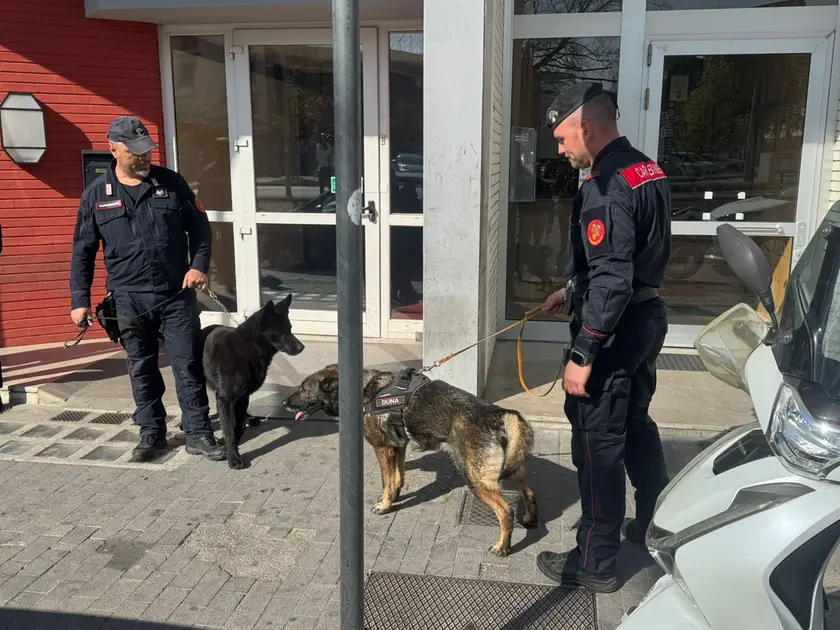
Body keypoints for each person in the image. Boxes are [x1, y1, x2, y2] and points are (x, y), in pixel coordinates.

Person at [535, 82, 671, 593]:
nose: (560, 148)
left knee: (597, 443)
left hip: (613, 332)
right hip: (645, 316)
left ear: (586, 127)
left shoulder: (605, 183)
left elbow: (613, 277)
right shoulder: (644, 167)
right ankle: (652, 520)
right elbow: (625, 263)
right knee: (634, 422)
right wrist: (570, 291)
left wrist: (583, 350)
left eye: (563, 136)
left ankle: (595, 560)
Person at [69, 116, 225, 463]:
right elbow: (83, 250)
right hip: (128, 298)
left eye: (147, 150)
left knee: (187, 365)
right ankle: (151, 432)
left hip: (175, 295)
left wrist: (198, 265)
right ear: (113, 150)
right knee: (141, 367)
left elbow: (199, 226)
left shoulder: (171, 183)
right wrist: (79, 300)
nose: (144, 157)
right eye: (134, 152)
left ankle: (198, 432)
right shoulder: (96, 196)